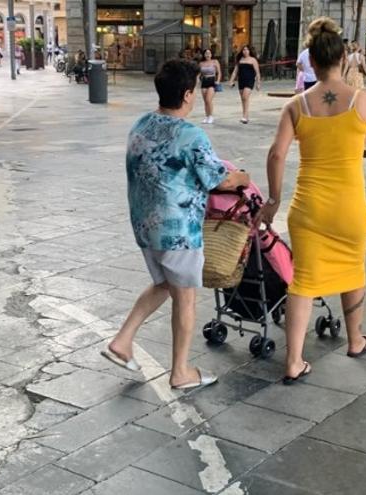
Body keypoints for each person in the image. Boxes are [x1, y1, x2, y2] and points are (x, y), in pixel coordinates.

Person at [260, 17, 366, 384]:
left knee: (302, 281)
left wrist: (273, 200)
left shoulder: (296, 106)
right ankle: (356, 340)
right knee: (354, 269)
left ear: (311, 62)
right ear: (344, 60)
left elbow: (276, 155)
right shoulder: (364, 102)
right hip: (349, 208)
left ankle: (294, 361)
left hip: (308, 207)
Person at [102, 59, 249, 390]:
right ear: (187, 94)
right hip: (177, 229)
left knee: (165, 285)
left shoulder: (140, 124)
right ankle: (181, 372)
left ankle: (122, 341)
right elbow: (219, 180)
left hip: (144, 223)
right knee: (185, 297)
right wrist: (242, 176)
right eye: (195, 89)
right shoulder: (190, 135)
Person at [229, 45, 261, 124]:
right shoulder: (240, 60)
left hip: (249, 80)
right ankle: (245, 115)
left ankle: (245, 116)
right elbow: (235, 71)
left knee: (245, 96)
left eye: (247, 50)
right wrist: (231, 80)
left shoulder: (253, 60)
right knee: (243, 99)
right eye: (243, 50)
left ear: (249, 51)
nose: (245, 51)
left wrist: (258, 83)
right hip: (241, 81)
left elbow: (257, 72)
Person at [198, 49, 221, 124]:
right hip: (204, 81)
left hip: (212, 81)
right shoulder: (201, 63)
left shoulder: (215, 61)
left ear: (211, 54)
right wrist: (197, 79)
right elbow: (199, 74)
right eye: (206, 53)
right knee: (205, 101)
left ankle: (211, 116)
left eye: (209, 53)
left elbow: (219, 73)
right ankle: (207, 116)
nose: (207, 55)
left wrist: (218, 81)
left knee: (208, 100)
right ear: (204, 55)